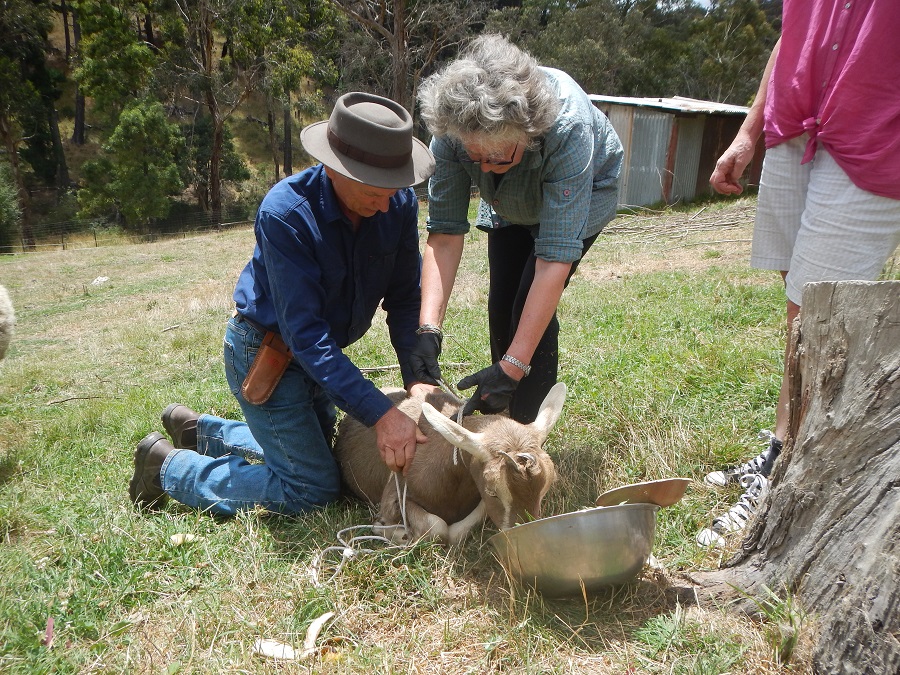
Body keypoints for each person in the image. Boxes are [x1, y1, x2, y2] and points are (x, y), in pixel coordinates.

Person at [129, 92, 436, 516]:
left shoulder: (396, 204)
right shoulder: (286, 214)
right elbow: (304, 335)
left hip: (319, 354)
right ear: (335, 168)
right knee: (312, 487)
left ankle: (200, 432)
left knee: (322, 456)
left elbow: (404, 298)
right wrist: (382, 415)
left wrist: (418, 377)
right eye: (374, 190)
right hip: (267, 353)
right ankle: (167, 466)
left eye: (394, 189)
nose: (386, 203)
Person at [699, 1, 900, 547]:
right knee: (800, 307)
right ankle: (784, 444)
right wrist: (750, 129)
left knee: (821, 316)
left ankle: (789, 470)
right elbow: (793, 31)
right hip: (792, 121)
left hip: (875, 136)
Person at [410, 34, 623, 424]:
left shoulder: (568, 129)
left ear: (528, 134)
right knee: (502, 303)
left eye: (494, 158)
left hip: (583, 191)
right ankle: (501, 409)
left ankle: (527, 427)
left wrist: (514, 367)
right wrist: (428, 329)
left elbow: (553, 260)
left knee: (528, 300)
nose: (483, 168)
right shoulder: (453, 133)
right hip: (508, 200)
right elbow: (444, 236)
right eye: (474, 156)